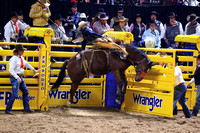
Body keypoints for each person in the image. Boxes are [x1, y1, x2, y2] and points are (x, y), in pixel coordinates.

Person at [5, 44, 37, 115]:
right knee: (15, 94)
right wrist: (17, 77)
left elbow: (26, 64)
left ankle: (26, 108)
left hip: (19, 77)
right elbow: (11, 70)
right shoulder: (14, 59)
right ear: (19, 51)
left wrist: (33, 69)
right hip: (16, 77)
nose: (23, 52)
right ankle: (8, 109)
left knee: (25, 92)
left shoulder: (20, 58)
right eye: (22, 50)